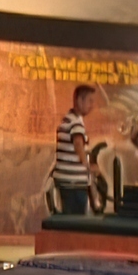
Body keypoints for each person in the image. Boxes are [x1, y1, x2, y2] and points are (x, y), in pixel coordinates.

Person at [52, 84, 97, 216]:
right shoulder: (76, 123)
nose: (92, 105)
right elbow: (78, 143)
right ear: (79, 100)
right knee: (75, 221)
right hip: (74, 183)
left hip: (67, 181)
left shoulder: (68, 120)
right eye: (89, 101)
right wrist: (88, 166)